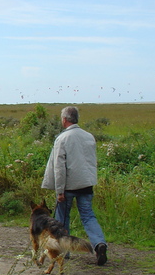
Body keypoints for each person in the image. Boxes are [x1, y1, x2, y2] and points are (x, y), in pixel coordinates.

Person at [41, 106, 108, 265]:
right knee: (88, 216)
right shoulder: (89, 136)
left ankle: (64, 252)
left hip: (68, 186)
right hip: (86, 184)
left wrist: (59, 190)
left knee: (62, 219)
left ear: (64, 119)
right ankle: (99, 244)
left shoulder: (62, 138)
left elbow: (59, 167)